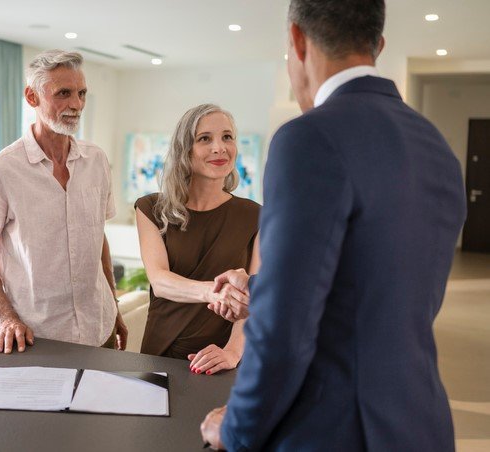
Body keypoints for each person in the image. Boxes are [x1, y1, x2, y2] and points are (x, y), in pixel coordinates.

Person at [201, 0, 466, 450]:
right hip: (421, 422)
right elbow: (377, 287)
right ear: (378, 45)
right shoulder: (434, 144)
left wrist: (236, 427)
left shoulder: (307, 137)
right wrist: (256, 287)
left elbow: (285, 328)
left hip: (336, 428)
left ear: (297, 40)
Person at [0, 49, 127, 354]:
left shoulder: (96, 161)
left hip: (100, 326)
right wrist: (4, 317)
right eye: (63, 93)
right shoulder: (1, 170)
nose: (77, 104)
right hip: (36, 336)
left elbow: (98, 238)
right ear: (32, 97)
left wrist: (114, 304)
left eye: (81, 93)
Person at [134, 104, 261, 375]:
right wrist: (214, 292)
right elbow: (160, 280)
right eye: (205, 138)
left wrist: (232, 352)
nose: (220, 147)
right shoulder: (151, 208)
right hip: (160, 353)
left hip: (223, 358)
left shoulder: (255, 216)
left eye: (227, 137)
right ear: (185, 150)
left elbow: (252, 298)